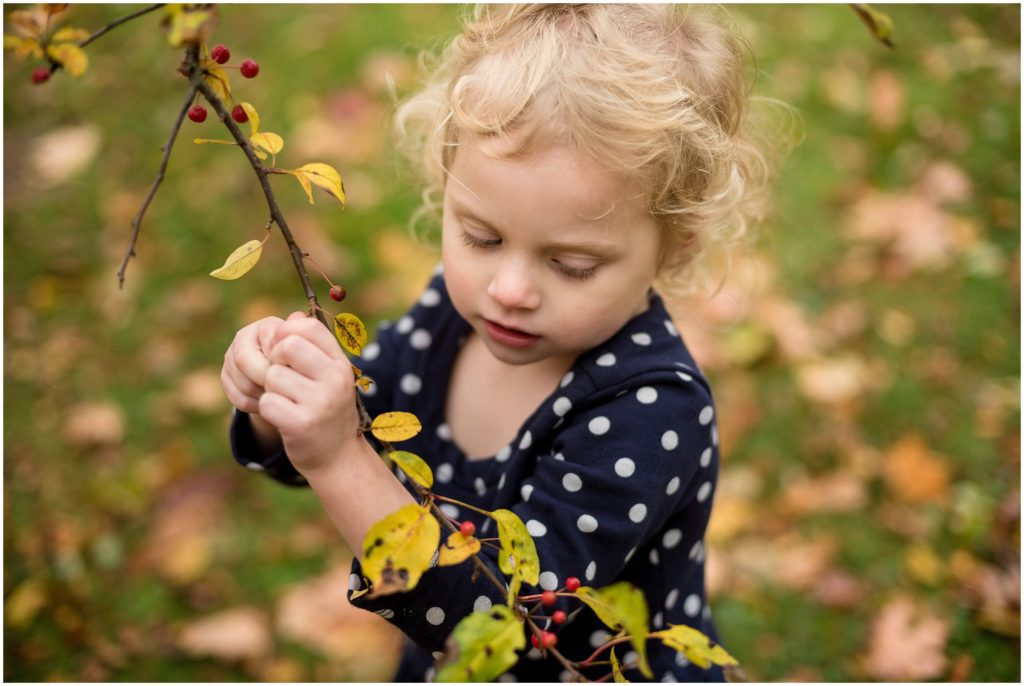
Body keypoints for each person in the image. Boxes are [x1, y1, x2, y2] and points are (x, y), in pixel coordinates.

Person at [221, 4, 774, 681]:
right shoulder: (452, 319)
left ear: (673, 245)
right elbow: (348, 423)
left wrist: (338, 458)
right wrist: (279, 403)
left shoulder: (654, 412)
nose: (509, 288)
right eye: (482, 237)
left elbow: (489, 628)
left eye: (571, 264)